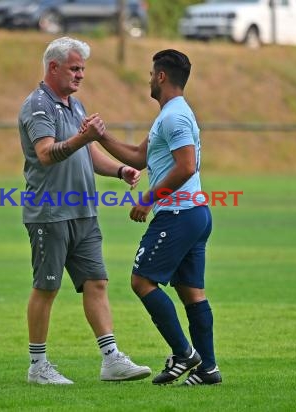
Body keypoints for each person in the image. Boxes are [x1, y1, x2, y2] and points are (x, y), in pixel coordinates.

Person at [17, 36, 151, 385]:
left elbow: (86, 154)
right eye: (75, 68)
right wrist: (85, 137)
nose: (80, 75)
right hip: (50, 213)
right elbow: (47, 153)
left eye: (83, 69)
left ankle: (111, 360)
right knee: (46, 288)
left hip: (84, 213)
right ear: (53, 67)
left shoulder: (74, 106)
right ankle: (37, 367)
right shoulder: (38, 107)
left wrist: (120, 170)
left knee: (97, 282)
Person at [97, 49, 222, 386]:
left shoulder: (174, 117)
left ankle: (184, 354)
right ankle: (208, 369)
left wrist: (149, 199)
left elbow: (186, 165)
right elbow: (138, 158)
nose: (149, 78)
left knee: (141, 281)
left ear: (162, 76)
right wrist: (101, 137)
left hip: (179, 214)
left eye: (152, 73)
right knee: (192, 293)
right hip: (193, 212)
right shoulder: (170, 115)